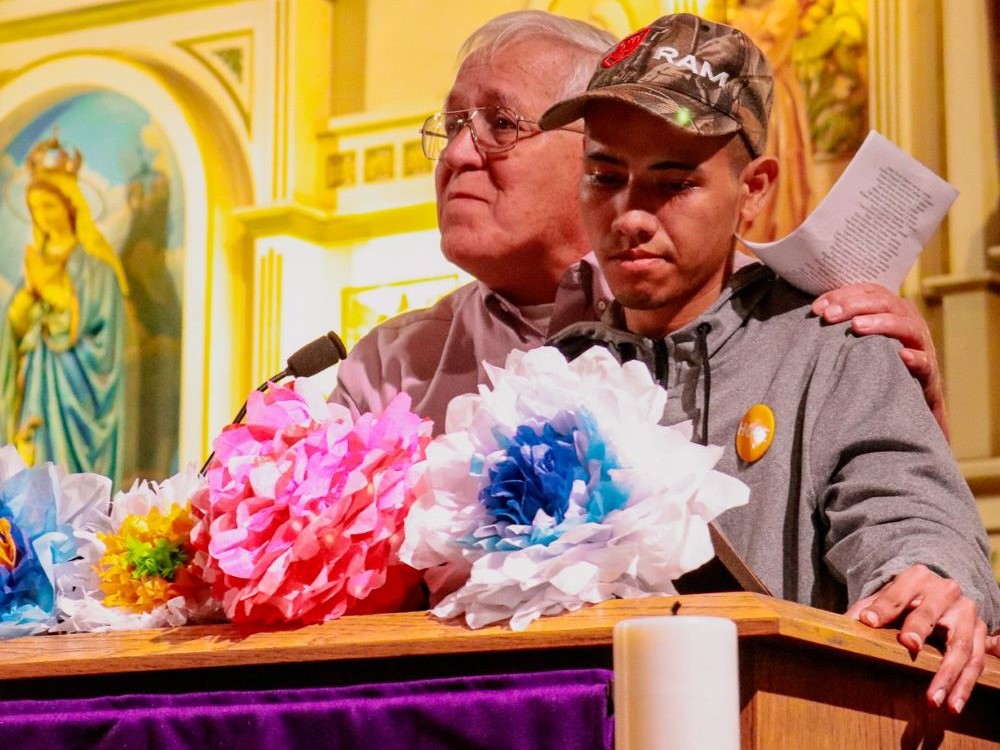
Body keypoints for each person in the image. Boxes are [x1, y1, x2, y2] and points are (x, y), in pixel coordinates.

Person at [536, 12, 999, 713]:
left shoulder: (837, 343)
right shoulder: (553, 378)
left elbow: (906, 509)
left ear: (752, 190)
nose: (630, 214)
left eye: (674, 182)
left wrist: (922, 575)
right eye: (605, 176)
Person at [330, 10, 952, 441]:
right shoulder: (391, 366)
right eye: (454, 125)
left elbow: (907, 537)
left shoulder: (775, 328)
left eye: (500, 123)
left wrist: (907, 405)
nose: (458, 154)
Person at [0, 136, 128, 485]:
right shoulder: (35, 265)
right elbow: (12, 328)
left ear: (71, 207)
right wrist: (26, 301)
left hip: (77, 386)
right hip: (37, 384)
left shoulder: (96, 269)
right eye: (36, 209)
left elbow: (96, 328)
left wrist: (51, 295)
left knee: (71, 479)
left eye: (50, 206)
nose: (43, 217)